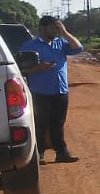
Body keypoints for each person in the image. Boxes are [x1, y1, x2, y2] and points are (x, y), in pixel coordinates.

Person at [20, 16, 85, 164]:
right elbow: (22, 68)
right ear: (42, 28)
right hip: (40, 92)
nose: (55, 30)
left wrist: (65, 32)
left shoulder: (60, 43)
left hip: (60, 91)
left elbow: (79, 48)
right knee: (40, 124)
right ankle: (39, 154)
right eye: (51, 27)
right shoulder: (30, 46)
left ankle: (61, 152)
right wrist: (39, 68)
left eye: (56, 27)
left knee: (58, 124)